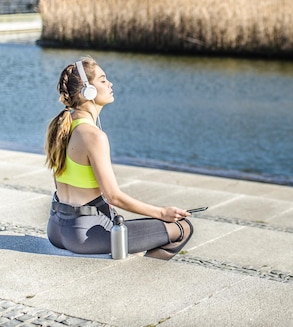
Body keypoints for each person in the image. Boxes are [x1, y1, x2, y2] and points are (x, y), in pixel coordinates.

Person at [44, 56, 193, 260]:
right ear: (88, 91)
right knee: (182, 227)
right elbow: (114, 196)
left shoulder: (61, 127)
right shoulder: (94, 136)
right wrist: (161, 212)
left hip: (55, 229)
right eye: (103, 80)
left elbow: (64, 183)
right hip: (82, 235)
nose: (110, 84)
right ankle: (141, 278)